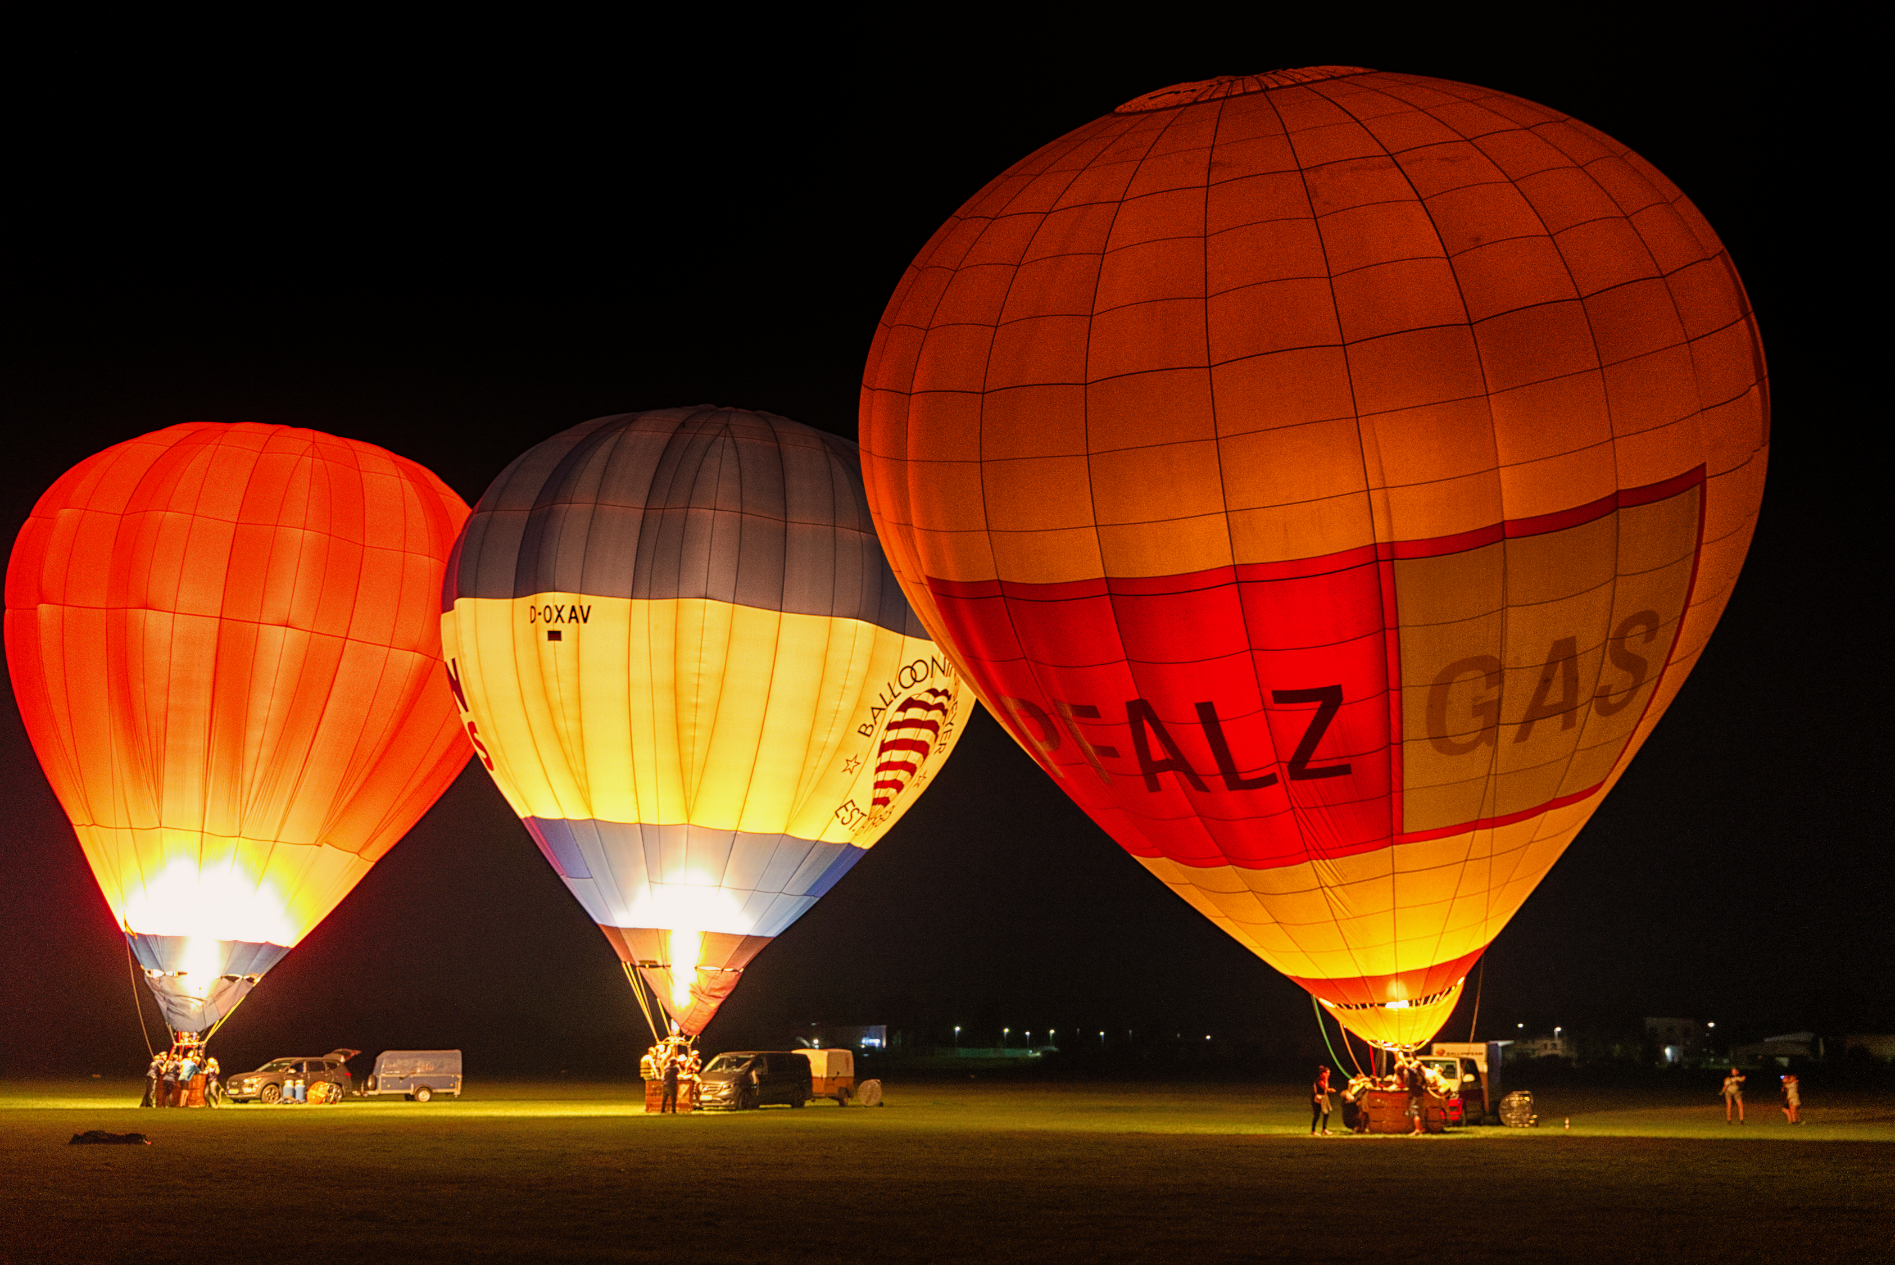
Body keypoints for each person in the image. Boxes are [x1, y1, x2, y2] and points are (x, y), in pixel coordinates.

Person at [1310, 1066, 1334, 1135]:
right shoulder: (1319, 1080)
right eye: (1327, 1073)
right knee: (1317, 1115)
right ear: (1323, 1073)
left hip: (1323, 1098)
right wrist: (1326, 1079)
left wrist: (1329, 1090)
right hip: (1317, 1099)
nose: (1329, 1074)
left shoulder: (1323, 1080)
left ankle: (1324, 1129)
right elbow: (1325, 1087)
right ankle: (1313, 1131)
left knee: (1326, 1113)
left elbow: (1325, 1089)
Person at [661, 1049, 680, 1114]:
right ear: (674, 1062)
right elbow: (679, 1073)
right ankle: (673, 1110)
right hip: (671, 1085)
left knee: (664, 1098)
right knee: (673, 1098)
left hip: (665, 1084)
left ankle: (662, 1109)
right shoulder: (675, 1068)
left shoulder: (666, 1067)